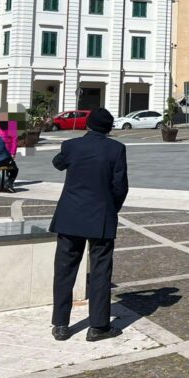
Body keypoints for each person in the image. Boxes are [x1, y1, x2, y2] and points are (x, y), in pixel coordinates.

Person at [49, 107, 128, 342]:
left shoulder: (72, 146)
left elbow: (57, 163)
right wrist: (110, 208)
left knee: (64, 270)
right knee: (100, 271)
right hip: (101, 217)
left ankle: (61, 325)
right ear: (109, 128)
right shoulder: (116, 149)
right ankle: (98, 327)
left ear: (88, 125)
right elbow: (120, 187)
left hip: (69, 216)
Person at [0, 119, 20, 190]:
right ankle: (9, 182)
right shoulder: (11, 125)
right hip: (7, 152)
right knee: (12, 167)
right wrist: (13, 152)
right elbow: (15, 140)